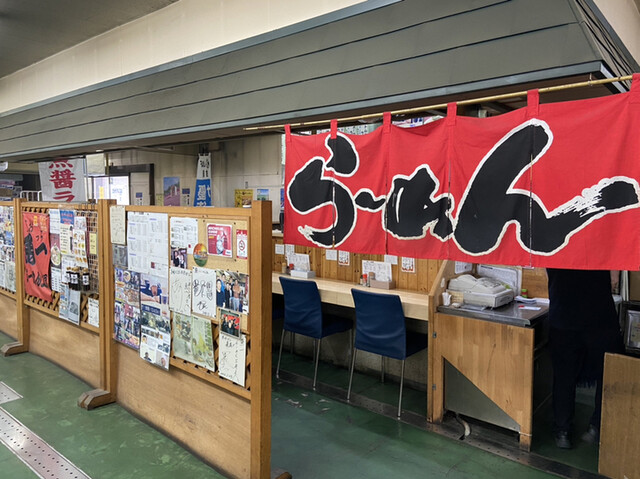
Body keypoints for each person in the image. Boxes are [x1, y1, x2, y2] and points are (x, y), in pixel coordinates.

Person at [546, 268, 624, 449]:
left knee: (563, 375)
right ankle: (598, 426)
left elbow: (546, 267)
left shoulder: (555, 248)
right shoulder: (605, 248)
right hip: (599, 314)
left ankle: (563, 431)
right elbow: (613, 280)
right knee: (608, 370)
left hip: (563, 312)